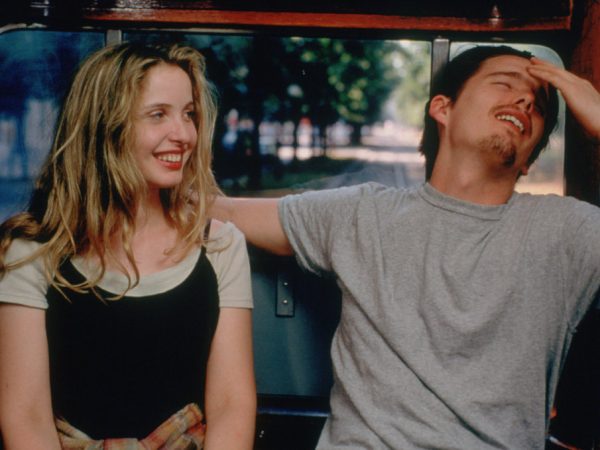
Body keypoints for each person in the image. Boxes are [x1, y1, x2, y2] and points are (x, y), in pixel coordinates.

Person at [211, 45, 600, 449]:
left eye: (539, 105)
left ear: (529, 160)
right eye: (504, 84)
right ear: (442, 109)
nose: (525, 100)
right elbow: (219, 211)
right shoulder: (363, 213)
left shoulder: (566, 233)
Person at [0, 42, 255, 449]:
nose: (184, 134)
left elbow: (231, 405)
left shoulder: (220, 246)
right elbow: (26, 416)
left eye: (188, 114)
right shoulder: (31, 251)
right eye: (158, 115)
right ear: (105, 127)